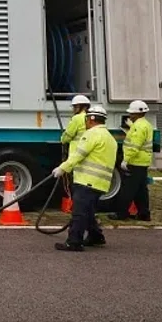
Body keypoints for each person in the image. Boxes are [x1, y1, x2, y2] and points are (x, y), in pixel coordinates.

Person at [51, 104, 117, 251]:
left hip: (87, 181)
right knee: (88, 211)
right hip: (101, 183)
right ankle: (96, 236)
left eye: (86, 119)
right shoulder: (110, 138)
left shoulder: (92, 134)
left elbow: (78, 155)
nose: (85, 122)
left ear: (91, 119)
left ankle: (74, 242)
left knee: (79, 213)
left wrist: (62, 168)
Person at [109, 100, 154, 222]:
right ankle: (144, 214)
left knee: (127, 189)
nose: (130, 116)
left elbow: (135, 145)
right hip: (142, 162)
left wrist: (126, 160)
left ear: (138, 114)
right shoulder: (146, 125)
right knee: (141, 190)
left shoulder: (138, 127)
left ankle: (121, 213)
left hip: (135, 161)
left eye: (131, 114)